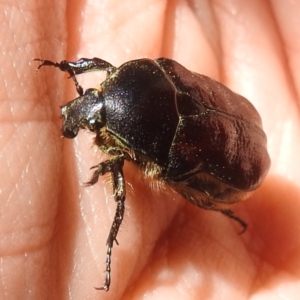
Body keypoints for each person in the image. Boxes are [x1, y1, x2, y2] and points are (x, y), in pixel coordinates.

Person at [2, 1, 300, 299]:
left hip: (243, 165)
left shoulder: (161, 147)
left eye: (95, 118)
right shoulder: (148, 77)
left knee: (191, 189)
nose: (86, 105)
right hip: (233, 124)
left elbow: (121, 193)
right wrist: (66, 66)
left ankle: (204, 215)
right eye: (94, 95)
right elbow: (105, 69)